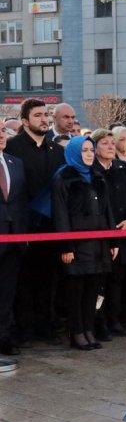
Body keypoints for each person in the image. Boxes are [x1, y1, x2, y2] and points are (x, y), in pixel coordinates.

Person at [6, 99, 64, 345]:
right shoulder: (12, 148)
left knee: (49, 278)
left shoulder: (57, 150)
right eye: (38, 115)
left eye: (46, 114)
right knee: (22, 281)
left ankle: (45, 326)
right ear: (25, 121)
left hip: (51, 226)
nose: (44, 119)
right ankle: (23, 329)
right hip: (21, 227)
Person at [51, 136, 118, 350]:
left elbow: (108, 211)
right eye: (85, 150)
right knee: (76, 291)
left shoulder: (98, 176)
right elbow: (60, 215)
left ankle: (89, 330)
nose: (89, 154)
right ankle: (77, 332)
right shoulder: (63, 178)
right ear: (74, 153)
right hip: (77, 245)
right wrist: (66, 246)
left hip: (99, 244)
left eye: (91, 149)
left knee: (93, 290)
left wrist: (112, 241)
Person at [91, 128, 126, 340]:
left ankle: (115, 320)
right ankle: (98, 323)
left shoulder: (123, 168)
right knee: (99, 282)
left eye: (113, 143)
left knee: (117, 280)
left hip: (123, 232)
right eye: (105, 143)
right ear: (94, 148)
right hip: (101, 234)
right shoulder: (91, 170)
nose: (111, 146)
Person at [0, 127, 28, 356]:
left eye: (2, 131)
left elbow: (20, 201)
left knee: (7, 292)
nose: (1, 135)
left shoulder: (14, 162)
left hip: (14, 237)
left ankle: (4, 337)